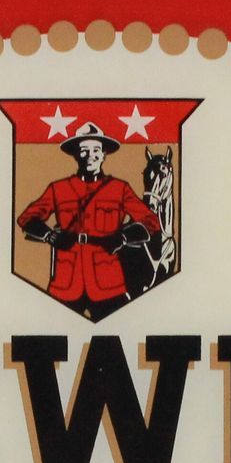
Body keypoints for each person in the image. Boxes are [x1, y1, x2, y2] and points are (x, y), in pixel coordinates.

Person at [16, 122, 162, 318]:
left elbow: (151, 221)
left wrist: (123, 237)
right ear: (76, 155)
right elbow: (26, 218)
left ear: (104, 155)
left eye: (96, 150)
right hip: (66, 284)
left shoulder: (119, 189)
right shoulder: (58, 189)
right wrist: (49, 236)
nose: (90, 155)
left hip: (108, 284)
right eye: (84, 150)